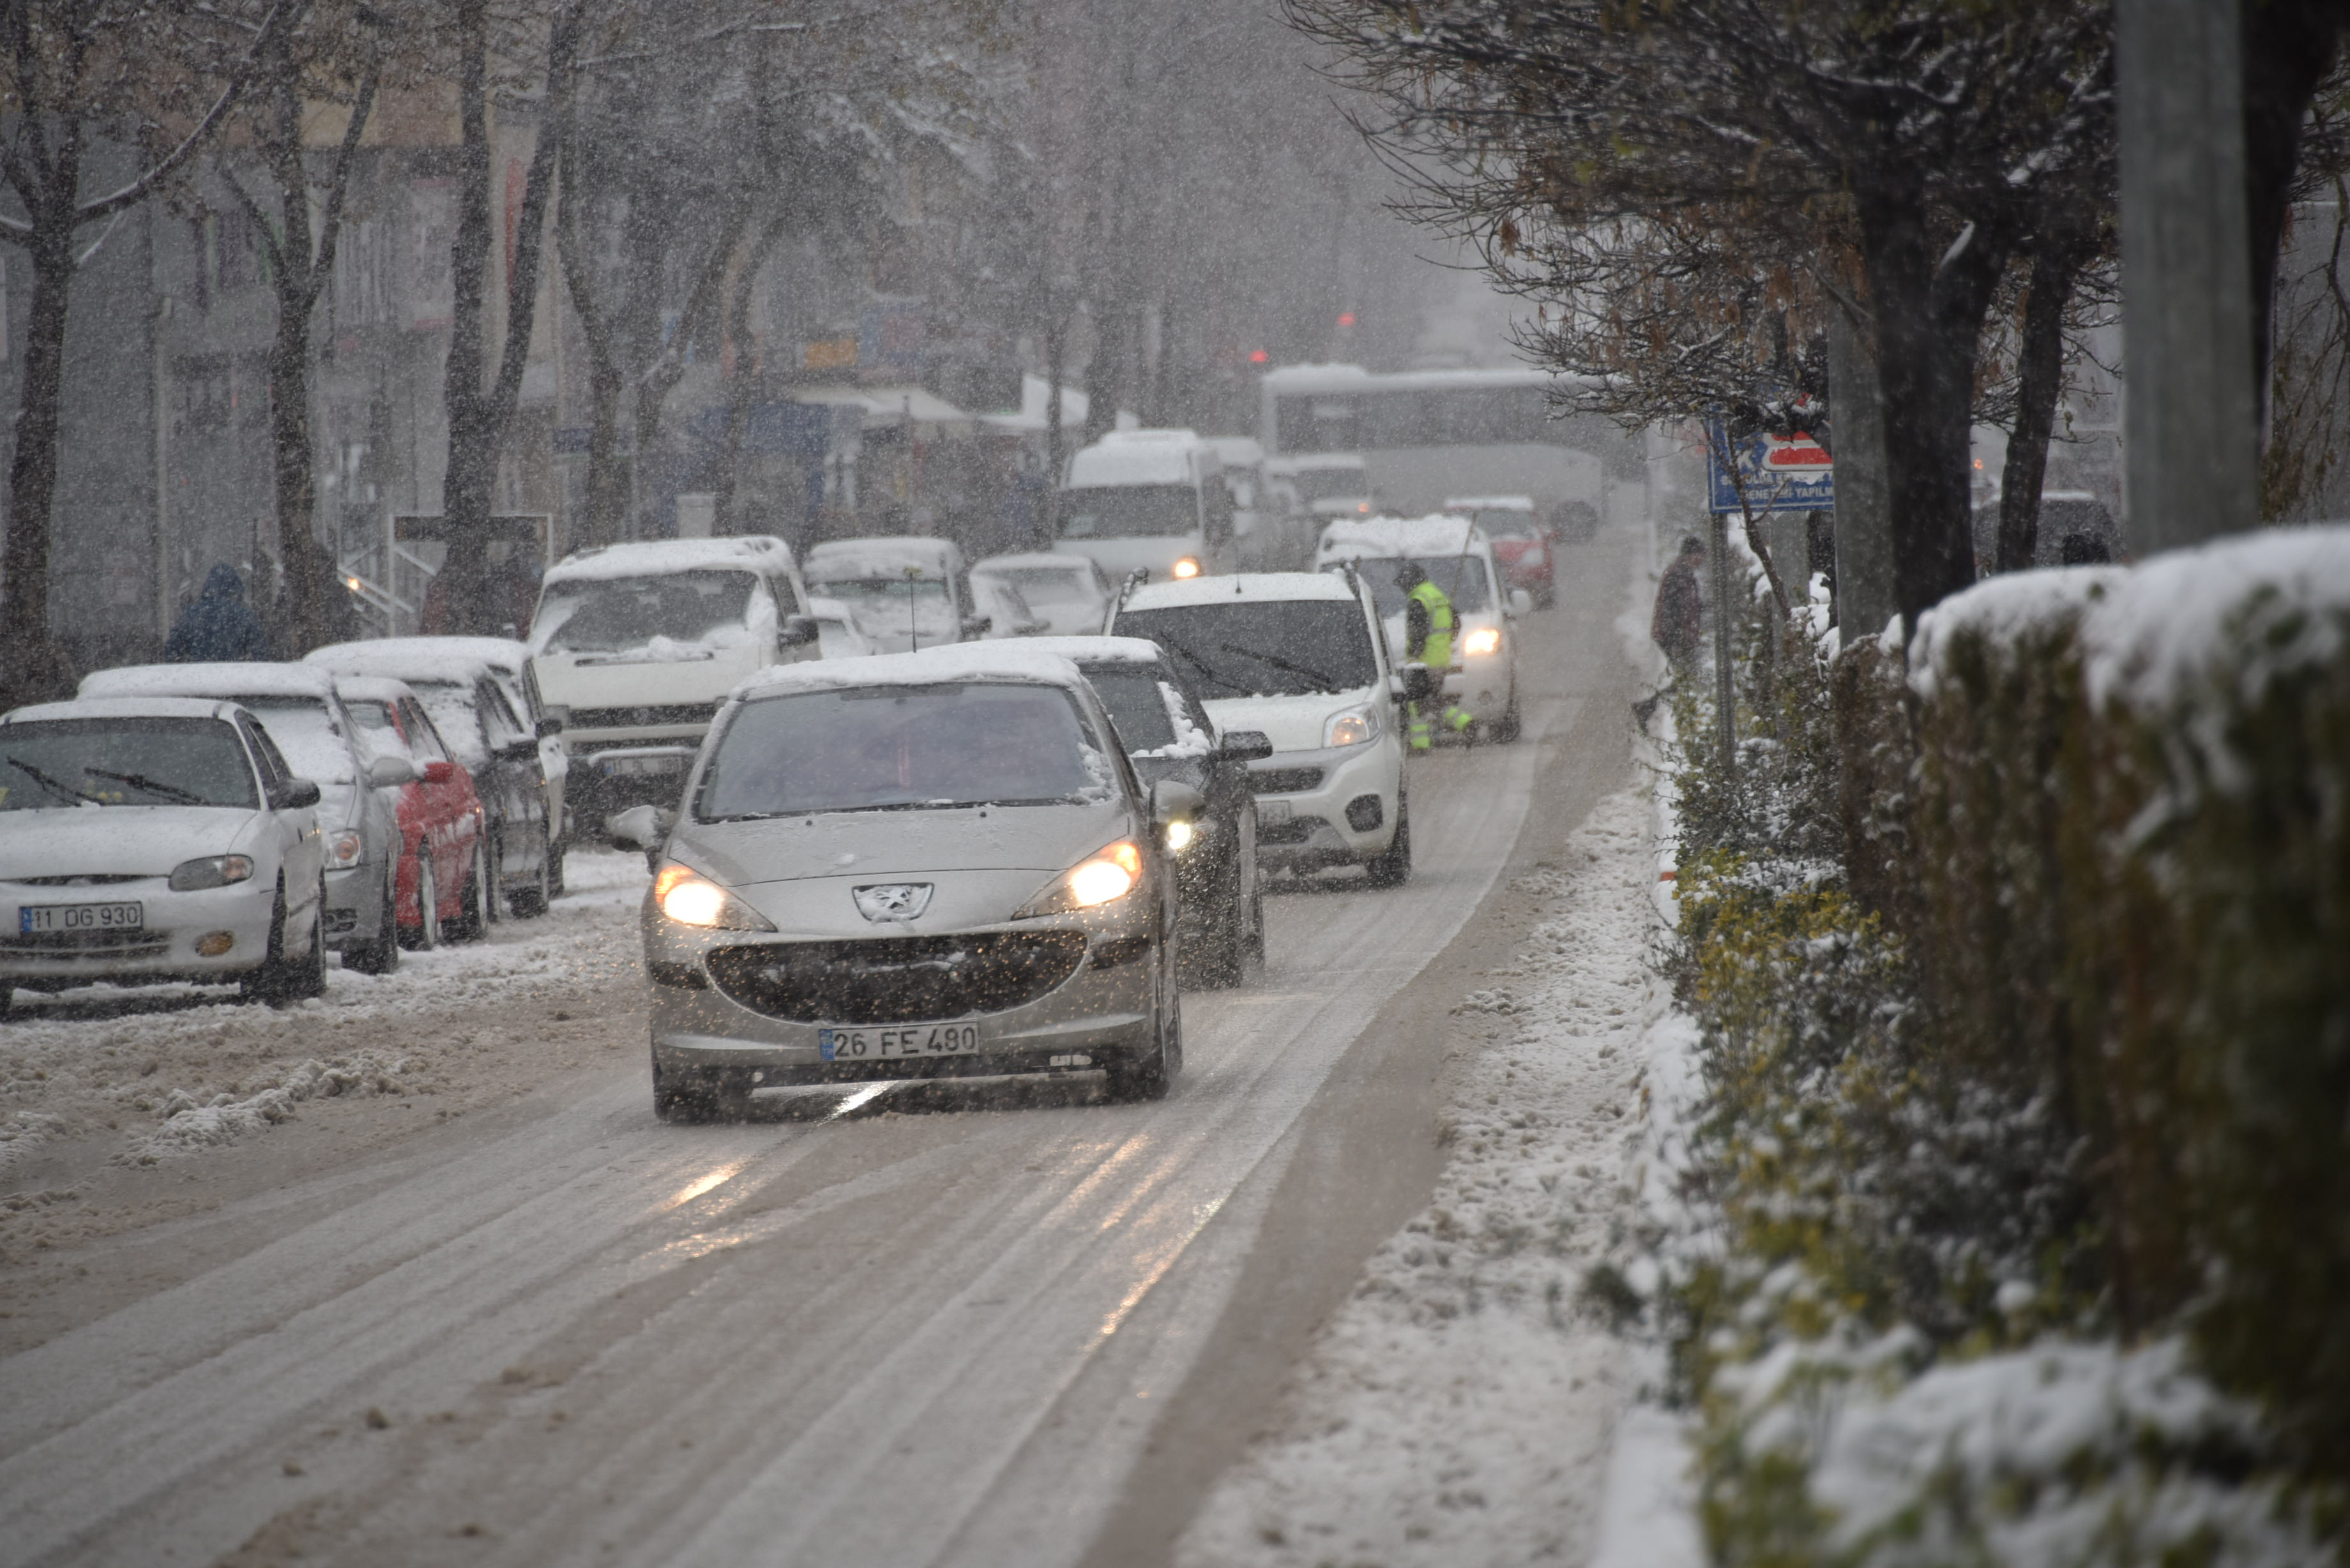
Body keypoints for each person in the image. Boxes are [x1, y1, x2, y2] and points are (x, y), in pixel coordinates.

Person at [1395, 559, 1473, 751]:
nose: (1403, 590)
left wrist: (1413, 658)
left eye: (1403, 585)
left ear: (1409, 582)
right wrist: (1445, 642)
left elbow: (1417, 635)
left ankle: (1420, 744)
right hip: (1442, 662)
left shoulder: (1418, 601)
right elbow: (1456, 624)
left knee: (1416, 704)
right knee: (1434, 702)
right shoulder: (1439, 596)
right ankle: (1465, 723)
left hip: (1424, 663)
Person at [1635, 535, 1707, 725]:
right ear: (1687, 555)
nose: (1700, 559)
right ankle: (1652, 709)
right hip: (1673, 637)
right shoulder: (1678, 575)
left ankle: (1648, 707)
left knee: (1686, 678)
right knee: (1687, 678)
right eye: (1697, 555)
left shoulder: (1684, 573)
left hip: (1677, 636)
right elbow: (1671, 610)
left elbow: (1688, 606)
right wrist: (1676, 641)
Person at [164, 564, 271, 663]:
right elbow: (261, 653)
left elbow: (172, 651)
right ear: (237, 586)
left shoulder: (191, 614)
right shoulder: (246, 615)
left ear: (208, 585)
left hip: (198, 677)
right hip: (235, 677)